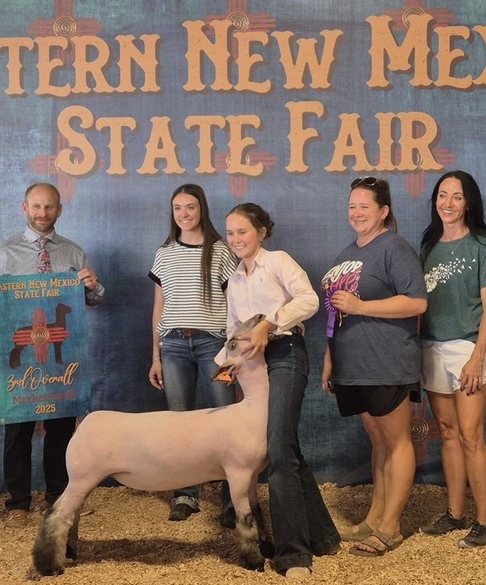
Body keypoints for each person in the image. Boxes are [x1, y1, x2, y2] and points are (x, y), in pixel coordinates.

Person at [0, 182, 105, 528]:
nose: (43, 213)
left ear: (59, 210)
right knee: (18, 431)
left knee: (61, 430)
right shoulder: (4, 252)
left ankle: (59, 498)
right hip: (20, 357)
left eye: (50, 207)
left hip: (59, 357)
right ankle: (18, 503)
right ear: (24, 208)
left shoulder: (73, 253)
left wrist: (93, 286)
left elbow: (95, 298)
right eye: (37, 207)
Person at [224, 203, 340, 579]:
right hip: (253, 364)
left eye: (242, 231)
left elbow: (308, 299)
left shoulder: (277, 261)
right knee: (285, 447)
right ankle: (323, 537)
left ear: (261, 231)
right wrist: (227, 365)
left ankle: (294, 556)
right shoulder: (236, 278)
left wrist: (271, 324)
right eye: (230, 233)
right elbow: (233, 329)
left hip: (286, 353)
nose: (236, 239)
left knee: (276, 449)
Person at [320, 177, 427, 557]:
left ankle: (392, 527)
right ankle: (375, 518)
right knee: (379, 442)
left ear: (383, 211)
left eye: (364, 206)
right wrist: (330, 358)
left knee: (396, 442)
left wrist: (363, 306)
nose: (357, 213)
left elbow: (417, 303)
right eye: (352, 206)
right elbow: (336, 313)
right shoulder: (346, 252)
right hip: (353, 365)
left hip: (387, 361)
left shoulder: (394, 248)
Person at [417, 170, 486, 548]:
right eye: (442, 195)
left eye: (456, 196)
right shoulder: (428, 244)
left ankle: (485, 522)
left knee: (471, 436)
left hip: (468, 349)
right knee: (448, 434)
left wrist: (476, 357)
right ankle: (455, 514)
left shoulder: (483, 244)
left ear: (469, 202)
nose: (447, 203)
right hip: (432, 348)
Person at [148, 183, 239, 526]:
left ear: (202, 209)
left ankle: (234, 498)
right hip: (172, 345)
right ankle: (186, 493)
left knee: (226, 420)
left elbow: (235, 305)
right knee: (180, 423)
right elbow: (159, 307)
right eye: (177, 208)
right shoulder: (164, 253)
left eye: (190, 207)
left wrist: (232, 351)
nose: (183, 214)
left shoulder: (221, 250)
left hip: (213, 346)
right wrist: (155, 355)